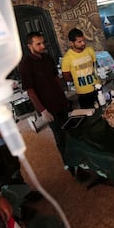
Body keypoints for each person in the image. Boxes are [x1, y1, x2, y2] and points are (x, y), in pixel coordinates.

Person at [18, 31, 70, 164]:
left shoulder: (47, 58)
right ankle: (70, 165)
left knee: (69, 131)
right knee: (60, 136)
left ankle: (79, 159)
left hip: (60, 101)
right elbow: (30, 90)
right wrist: (42, 110)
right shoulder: (26, 64)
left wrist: (64, 92)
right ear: (30, 46)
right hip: (48, 106)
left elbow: (55, 77)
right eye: (38, 44)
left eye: (43, 43)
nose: (42, 46)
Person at [61, 28, 99, 108]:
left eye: (83, 40)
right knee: (89, 114)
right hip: (83, 92)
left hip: (97, 87)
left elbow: (94, 65)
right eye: (79, 42)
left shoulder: (89, 50)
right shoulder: (67, 58)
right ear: (71, 43)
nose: (83, 43)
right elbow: (66, 76)